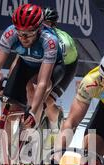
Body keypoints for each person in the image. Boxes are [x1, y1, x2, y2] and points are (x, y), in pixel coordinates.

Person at [0, 3, 65, 134]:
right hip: (26, 64)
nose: (23, 38)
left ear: (39, 29)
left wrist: (32, 112)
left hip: (51, 68)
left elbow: (42, 82)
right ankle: (6, 150)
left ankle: (31, 134)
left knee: (33, 89)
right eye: (20, 33)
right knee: (7, 107)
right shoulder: (10, 33)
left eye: (28, 34)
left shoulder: (49, 41)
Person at [40, 7, 78, 141]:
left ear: (52, 25)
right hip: (49, 62)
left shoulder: (60, 41)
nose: (41, 26)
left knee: (47, 100)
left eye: (45, 23)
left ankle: (56, 126)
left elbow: (55, 68)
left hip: (66, 66)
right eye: (40, 22)